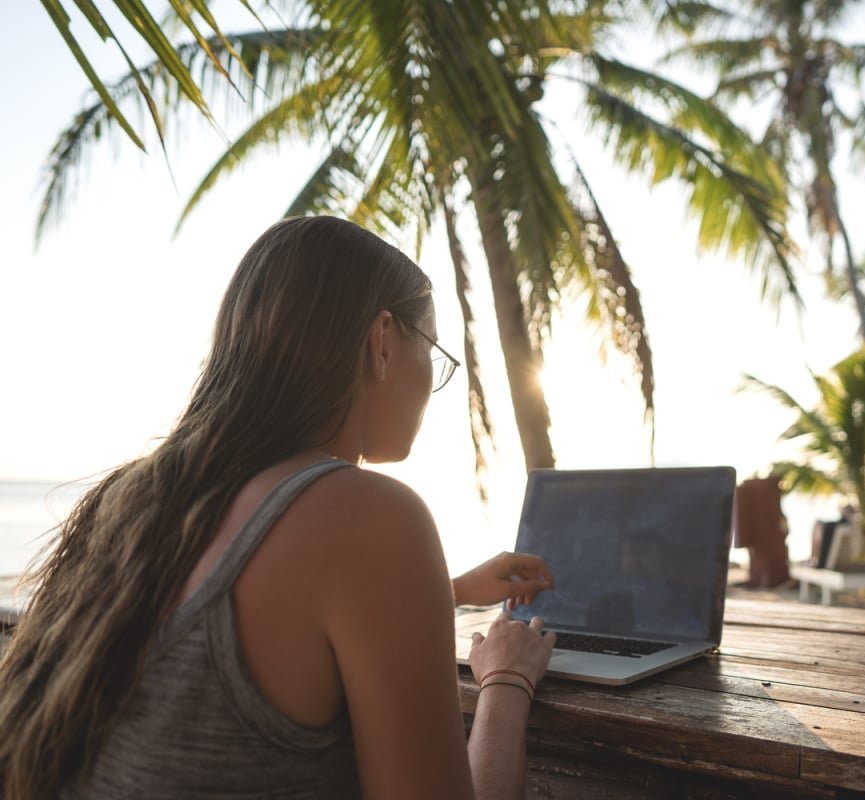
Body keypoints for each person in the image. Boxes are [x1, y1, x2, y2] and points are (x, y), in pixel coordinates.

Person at [0, 216, 557, 799]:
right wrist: (507, 681)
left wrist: (451, 589)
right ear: (384, 342)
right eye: (435, 349)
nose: (433, 378)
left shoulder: (128, 503)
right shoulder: (371, 518)